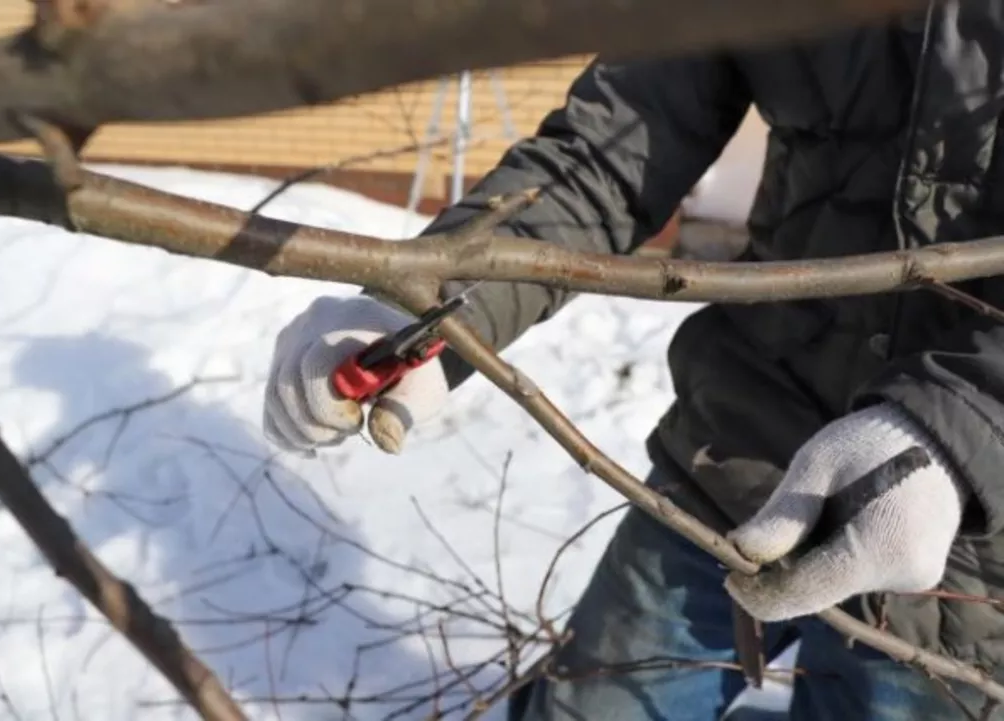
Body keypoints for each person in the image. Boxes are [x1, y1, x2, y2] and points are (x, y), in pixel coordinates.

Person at [261, 2, 1004, 719]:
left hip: (969, 556)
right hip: (740, 456)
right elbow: (611, 150)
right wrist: (422, 306)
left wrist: (964, 427)